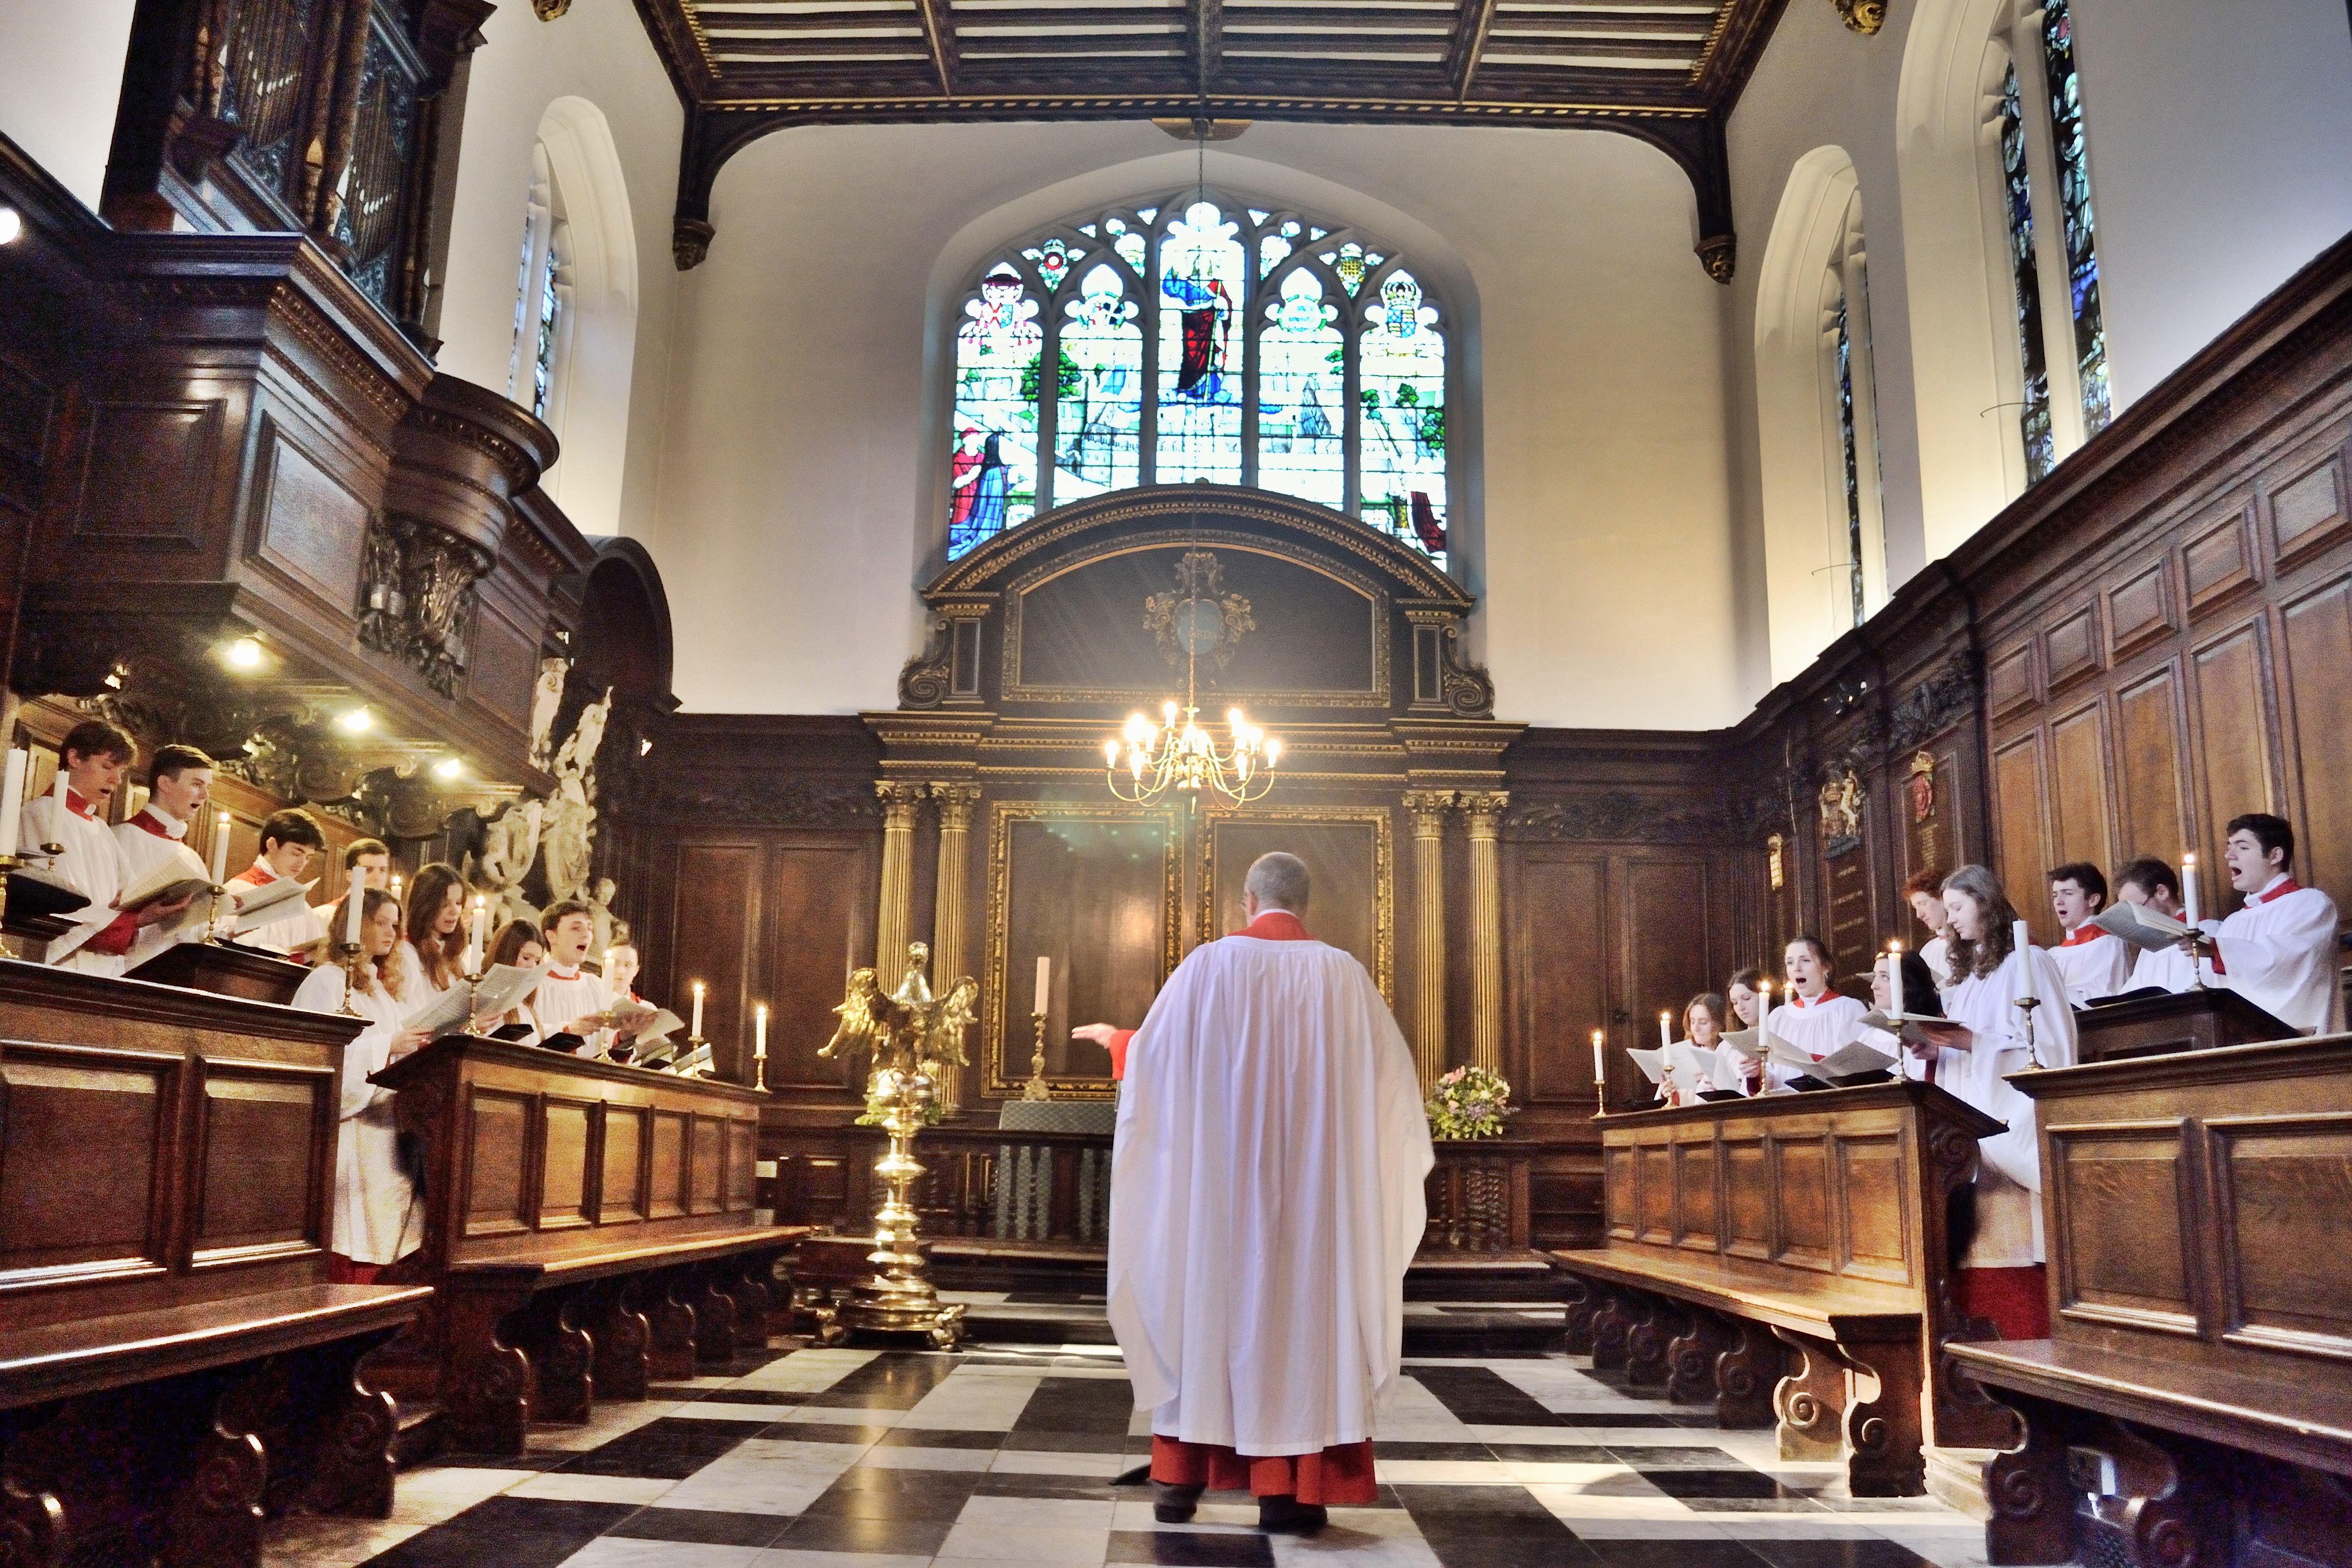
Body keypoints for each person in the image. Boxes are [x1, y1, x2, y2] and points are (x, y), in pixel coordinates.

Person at [1109, 852, 1432, 1536]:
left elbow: (1157, 1063)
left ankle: (1177, 1483)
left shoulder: (1205, 966)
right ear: (1305, 905)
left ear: (1247, 900)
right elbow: (1392, 1092)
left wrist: (1121, 1044)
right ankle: (1288, 1495)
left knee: (1209, 1317)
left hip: (1220, 1200)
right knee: (1303, 1329)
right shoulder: (1344, 976)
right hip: (1316, 1205)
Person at [1895, 865, 2077, 1340]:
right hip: (1972, 1124)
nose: (1948, 919)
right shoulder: (1975, 977)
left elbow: (2050, 1050)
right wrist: (1939, 1047)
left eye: (1957, 907)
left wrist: (1972, 1042)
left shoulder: (2030, 963)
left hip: (2009, 1122)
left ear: (1986, 902)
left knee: (2013, 1252)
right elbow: (1971, 1044)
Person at [291, 887, 428, 1282]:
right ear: (355, 925)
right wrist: (388, 1045)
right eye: (381, 922)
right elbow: (316, 1057)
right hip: (352, 1132)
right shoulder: (327, 982)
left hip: (386, 1129)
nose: (391, 932)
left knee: (389, 1236)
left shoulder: (381, 989)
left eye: (395, 924)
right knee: (355, 1240)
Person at [21, 721, 196, 974]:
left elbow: (122, 897)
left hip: (104, 965)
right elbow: (57, 909)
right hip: (64, 962)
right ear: (74, 758)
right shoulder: (41, 813)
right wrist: (135, 920)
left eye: (122, 772)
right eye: (107, 767)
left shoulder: (102, 829)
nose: (116, 780)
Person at [2195, 814, 2345, 1035]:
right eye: (2229, 847)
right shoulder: (2233, 922)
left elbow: (2288, 960)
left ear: (2275, 855)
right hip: (2240, 1042)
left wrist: (2220, 950)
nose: (2229, 855)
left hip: (2301, 1045)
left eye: (2243, 847)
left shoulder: (2310, 903)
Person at [113, 742, 218, 969]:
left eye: (208, 787)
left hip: (177, 974)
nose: (205, 796)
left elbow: (196, 932)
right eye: (196, 784)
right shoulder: (121, 838)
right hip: (129, 970)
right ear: (165, 784)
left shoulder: (191, 857)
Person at [534, 898, 649, 1054]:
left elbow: (604, 1045)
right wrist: (568, 1030)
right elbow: (524, 1035)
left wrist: (624, 1036)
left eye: (589, 928)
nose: (586, 935)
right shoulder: (532, 982)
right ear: (551, 936)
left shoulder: (596, 985)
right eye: (576, 928)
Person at [1765, 936, 1868, 1083]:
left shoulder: (1847, 1009)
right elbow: (1772, 1071)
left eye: (1805, 960)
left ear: (1826, 967)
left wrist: (1813, 1063)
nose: (1797, 968)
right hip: (1785, 1103)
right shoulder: (1778, 1017)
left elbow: (1857, 1066)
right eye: (1790, 962)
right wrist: (1756, 1073)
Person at [228, 808, 328, 956]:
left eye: (308, 857)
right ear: (272, 844)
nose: (302, 863)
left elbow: (315, 954)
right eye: (297, 853)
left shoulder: (303, 907)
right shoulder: (237, 890)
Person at [2046, 861, 2129, 1007]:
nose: (2059, 902)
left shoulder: (2108, 943)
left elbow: (2101, 996)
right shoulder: (2053, 954)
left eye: (2068, 894)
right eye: (2055, 895)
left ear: (2093, 900)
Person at [2114, 857, 2198, 992]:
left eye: (2138, 908)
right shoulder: (2149, 949)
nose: (2135, 919)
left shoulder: (2205, 932)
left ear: (2162, 892)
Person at [395, 863, 469, 999]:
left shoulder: (453, 955)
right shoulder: (407, 952)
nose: (454, 911)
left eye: (458, 903)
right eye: (445, 904)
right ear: (425, 905)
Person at [477, 920, 548, 1041]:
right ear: (506, 954)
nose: (532, 967)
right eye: (526, 958)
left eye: (536, 961)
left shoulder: (525, 1006)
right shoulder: (483, 998)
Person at [314, 838, 391, 928]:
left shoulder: (390, 919)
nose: (378, 878)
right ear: (349, 875)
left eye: (382, 870)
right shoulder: (324, 915)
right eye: (368, 870)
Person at [1903, 868, 1957, 990]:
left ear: (1942, 898)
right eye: (1915, 907)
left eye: (1923, 904)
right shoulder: (1927, 951)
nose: (1919, 915)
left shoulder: (1969, 942)